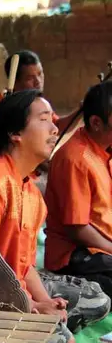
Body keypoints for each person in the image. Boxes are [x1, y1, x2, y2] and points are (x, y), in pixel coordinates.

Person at [0, 90, 110, 343]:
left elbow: (26, 265)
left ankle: (46, 322)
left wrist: (45, 300)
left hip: (16, 288)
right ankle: (26, 330)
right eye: (44, 119)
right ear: (15, 133)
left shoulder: (30, 192)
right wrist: (32, 305)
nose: (55, 128)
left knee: (98, 300)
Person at [45, 81, 112, 299]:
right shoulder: (75, 159)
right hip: (74, 255)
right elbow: (77, 228)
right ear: (96, 123)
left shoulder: (103, 149)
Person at [0, 50, 79, 145]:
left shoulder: (35, 102)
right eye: (30, 78)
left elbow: (57, 126)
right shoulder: (0, 113)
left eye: (40, 74)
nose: (38, 81)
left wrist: (81, 109)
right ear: (14, 83)